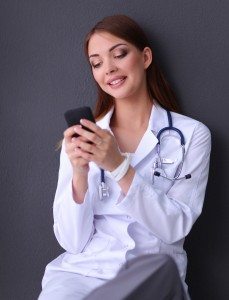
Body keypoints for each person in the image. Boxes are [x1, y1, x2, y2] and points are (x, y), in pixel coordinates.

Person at [38, 15, 211, 300]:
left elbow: (174, 228)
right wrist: (80, 173)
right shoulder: (82, 138)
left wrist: (118, 167)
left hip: (152, 275)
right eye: (97, 63)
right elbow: (72, 242)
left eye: (119, 54)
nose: (109, 69)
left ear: (145, 57)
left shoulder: (191, 135)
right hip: (82, 276)